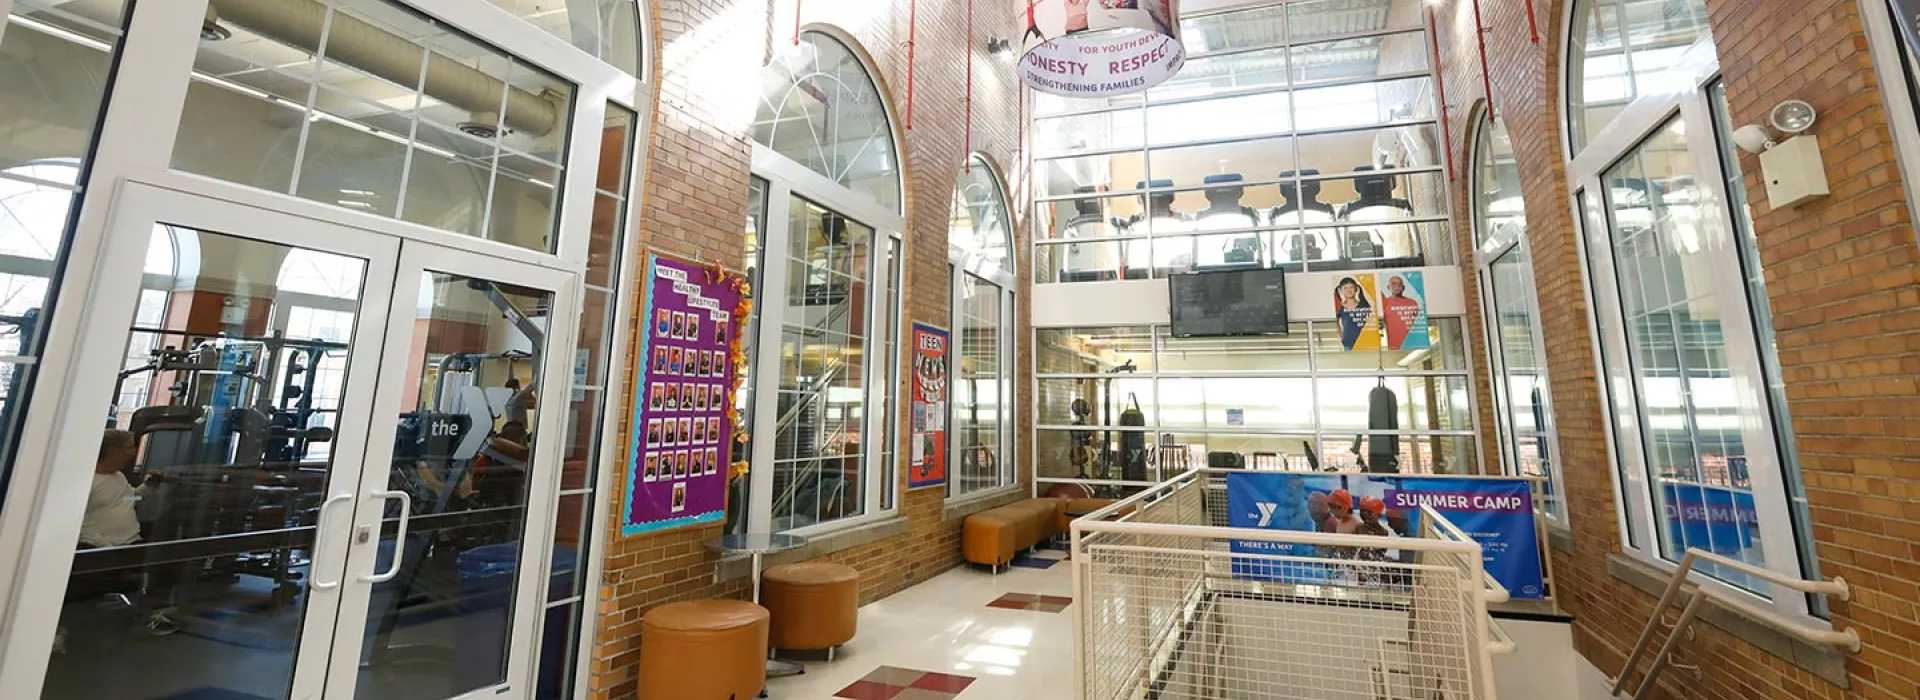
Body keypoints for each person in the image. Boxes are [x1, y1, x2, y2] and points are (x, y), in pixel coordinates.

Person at [1380, 275, 1422, 350]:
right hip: (1393, 345)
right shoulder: (1384, 302)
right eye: (1394, 284)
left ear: (1403, 288)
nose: (1397, 286)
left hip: (1413, 343)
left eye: (1399, 284)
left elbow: (1418, 322)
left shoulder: (1412, 303)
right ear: (1388, 287)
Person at [1335, 277, 1374, 351]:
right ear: (1341, 290)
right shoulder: (1340, 308)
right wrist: (1341, 336)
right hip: (1348, 343)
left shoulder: (1364, 306)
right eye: (1345, 288)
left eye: (1351, 287)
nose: (1349, 290)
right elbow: (1336, 323)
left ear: (1356, 289)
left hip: (1366, 342)